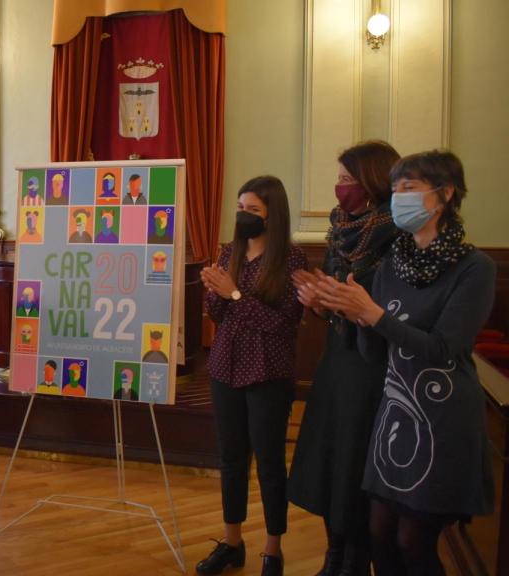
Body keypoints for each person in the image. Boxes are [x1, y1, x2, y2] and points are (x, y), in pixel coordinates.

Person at [314, 151, 495, 576]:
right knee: (380, 533)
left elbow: (442, 348)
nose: (398, 198)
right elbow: (373, 352)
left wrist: (375, 315)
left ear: (445, 193)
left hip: (444, 419)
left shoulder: (475, 268)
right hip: (395, 413)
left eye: (409, 188)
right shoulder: (392, 261)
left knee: (414, 540)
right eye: (394, 190)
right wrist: (352, 314)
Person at [287, 141, 400, 576]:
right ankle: (333, 557)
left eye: (346, 179)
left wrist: (347, 304)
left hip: (373, 367)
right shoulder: (341, 228)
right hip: (337, 362)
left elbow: (385, 308)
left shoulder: (396, 236)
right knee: (330, 462)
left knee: (355, 466)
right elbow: (338, 298)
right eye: (337, 178)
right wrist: (317, 301)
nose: (338, 188)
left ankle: (354, 562)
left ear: (373, 182)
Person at [198, 175, 306, 576]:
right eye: (241, 208)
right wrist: (215, 292)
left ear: (272, 215)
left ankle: (273, 549)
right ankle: (231, 543)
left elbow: (282, 325)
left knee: (270, 463)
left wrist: (234, 294)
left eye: (253, 211)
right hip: (225, 368)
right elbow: (218, 314)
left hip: (268, 372)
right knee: (231, 459)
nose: (244, 216)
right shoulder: (231, 252)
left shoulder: (291, 260)